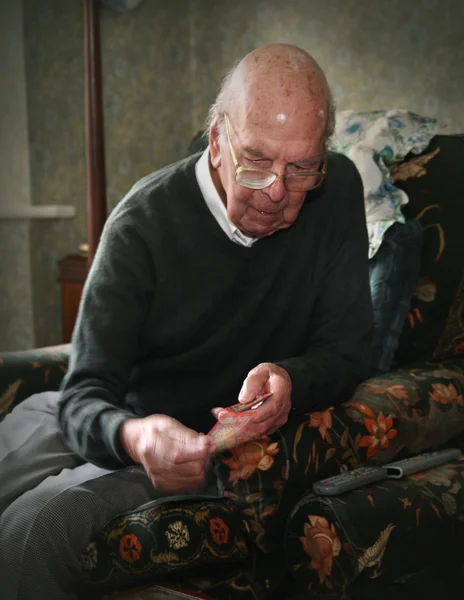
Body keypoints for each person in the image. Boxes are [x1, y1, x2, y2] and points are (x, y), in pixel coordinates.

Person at [0, 43, 372, 599]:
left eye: (300, 168)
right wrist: (132, 433)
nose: (276, 190)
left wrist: (291, 378)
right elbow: (83, 394)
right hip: (129, 422)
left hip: (196, 447)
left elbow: (349, 349)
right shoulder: (142, 223)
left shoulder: (335, 189)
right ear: (217, 138)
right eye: (256, 159)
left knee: (34, 530)